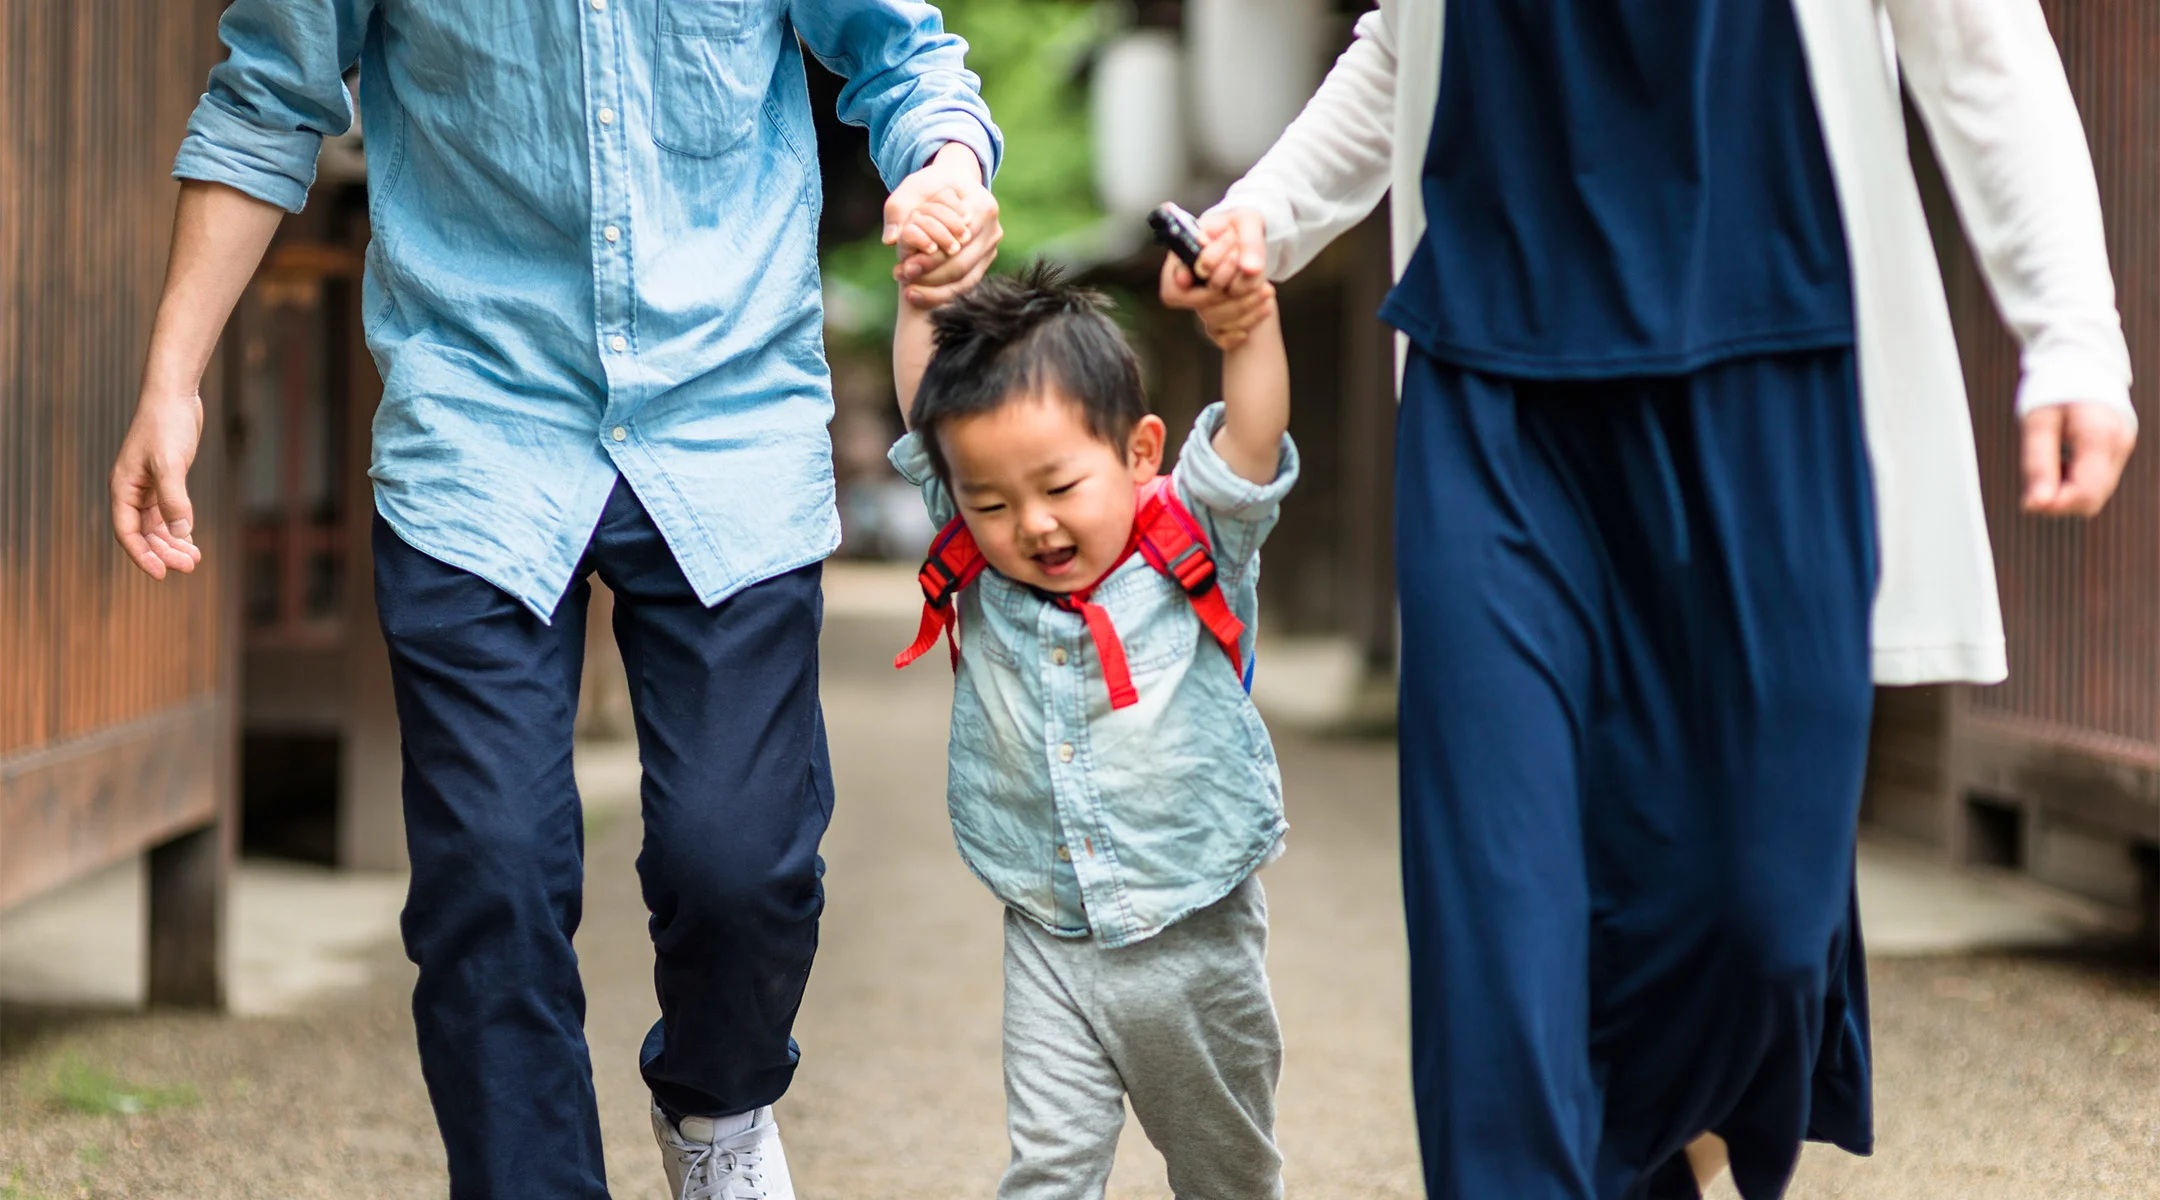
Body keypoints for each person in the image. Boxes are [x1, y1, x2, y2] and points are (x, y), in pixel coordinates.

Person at [1162, 2, 2136, 1198]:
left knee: (1764, 925)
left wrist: (2073, 338)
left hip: (1776, 367)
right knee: (1497, 941)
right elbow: (1403, 46)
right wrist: (1266, 211)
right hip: (1493, 395)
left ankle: (1647, 1149)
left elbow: (1982, 43)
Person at [107, 3, 1002, 1198]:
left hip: (729, 406)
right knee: (491, 874)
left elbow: (907, 57)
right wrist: (172, 377)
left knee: (741, 869)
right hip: (477, 411)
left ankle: (716, 1110)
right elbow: (269, 94)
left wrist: (945, 167)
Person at [885, 243, 1294, 1199]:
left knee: (1226, 1170)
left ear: (1139, 452)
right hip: (1049, 934)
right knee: (1050, 1167)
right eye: (990, 501)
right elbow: (923, 421)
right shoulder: (983, 561)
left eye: (1060, 488)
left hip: (1194, 930)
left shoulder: (1195, 537)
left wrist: (1250, 328)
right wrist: (919, 299)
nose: (1030, 525)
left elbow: (1254, 443)